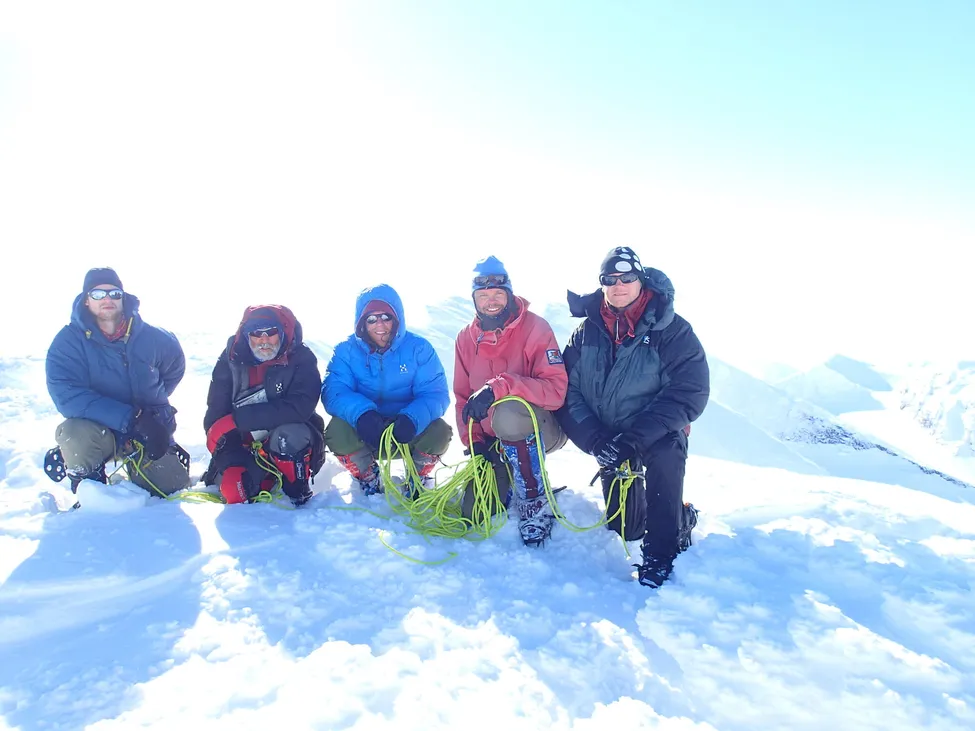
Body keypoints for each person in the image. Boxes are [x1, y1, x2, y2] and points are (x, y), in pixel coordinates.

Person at [556, 246, 710, 587]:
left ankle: (663, 549)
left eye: (626, 277)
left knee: (668, 451)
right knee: (625, 526)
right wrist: (596, 440)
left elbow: (690, 391)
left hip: (653, 435)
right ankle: (657, 520)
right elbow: (568, 392)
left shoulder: (671, 330)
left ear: (641, 280)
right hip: (609, 437)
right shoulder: (587, 332)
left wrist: (635, 438)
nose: (618, 285)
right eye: (609, 279)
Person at [45, 267, 190, 498]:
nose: (107, 300)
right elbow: (68, 396)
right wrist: (131, 418)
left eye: (114, 294)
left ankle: (151, 461)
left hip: (149, 432)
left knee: (172, 492)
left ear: (123, 298)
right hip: (101, 432)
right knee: (75, 433)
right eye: (98, 294)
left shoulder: (156, 338)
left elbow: (174, 370)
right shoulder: (68, 343)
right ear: (85, 301)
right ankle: (87, 479)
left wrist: (154, 411)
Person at [454, 256, 568, 546]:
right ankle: (507, 474)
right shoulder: (466, 338)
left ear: (509, 293)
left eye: (497, 294)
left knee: (507, 411)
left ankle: (534, 501)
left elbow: (556, 390)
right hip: (495, 439)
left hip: (542, 428)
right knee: (474, 511)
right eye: (483, 296)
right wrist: (475, 444)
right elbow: (462, 397)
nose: (491, 302)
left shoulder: (535, 328)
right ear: (474, 299)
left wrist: (500, 387)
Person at [322, 284, 452, 496]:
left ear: (397, 318)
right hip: (366, 431)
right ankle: (367, 474)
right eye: (371, 319)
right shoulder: (345, 351)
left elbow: (435, 393)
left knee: (440, 431)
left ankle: (417, 475)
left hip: (406, 431)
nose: (379, 324)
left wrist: (412, 419)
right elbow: (334, 391)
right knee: (336, 431)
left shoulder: (419, 349)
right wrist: (362, 415)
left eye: (386, 317)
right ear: (362, 322)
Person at [203, 305, 326, 506]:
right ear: (246, 336)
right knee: (233, 490)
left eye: (271, 333)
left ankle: (296, 490)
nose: (264, 340)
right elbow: (215, 413)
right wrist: (231, 460)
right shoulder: (230, 360)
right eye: (256, 334)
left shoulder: (301, 358)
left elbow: (300, 406)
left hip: (294, 441)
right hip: (245, 445)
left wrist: (239, 419)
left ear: (283, 332)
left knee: (288, 435)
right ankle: (261, 477)